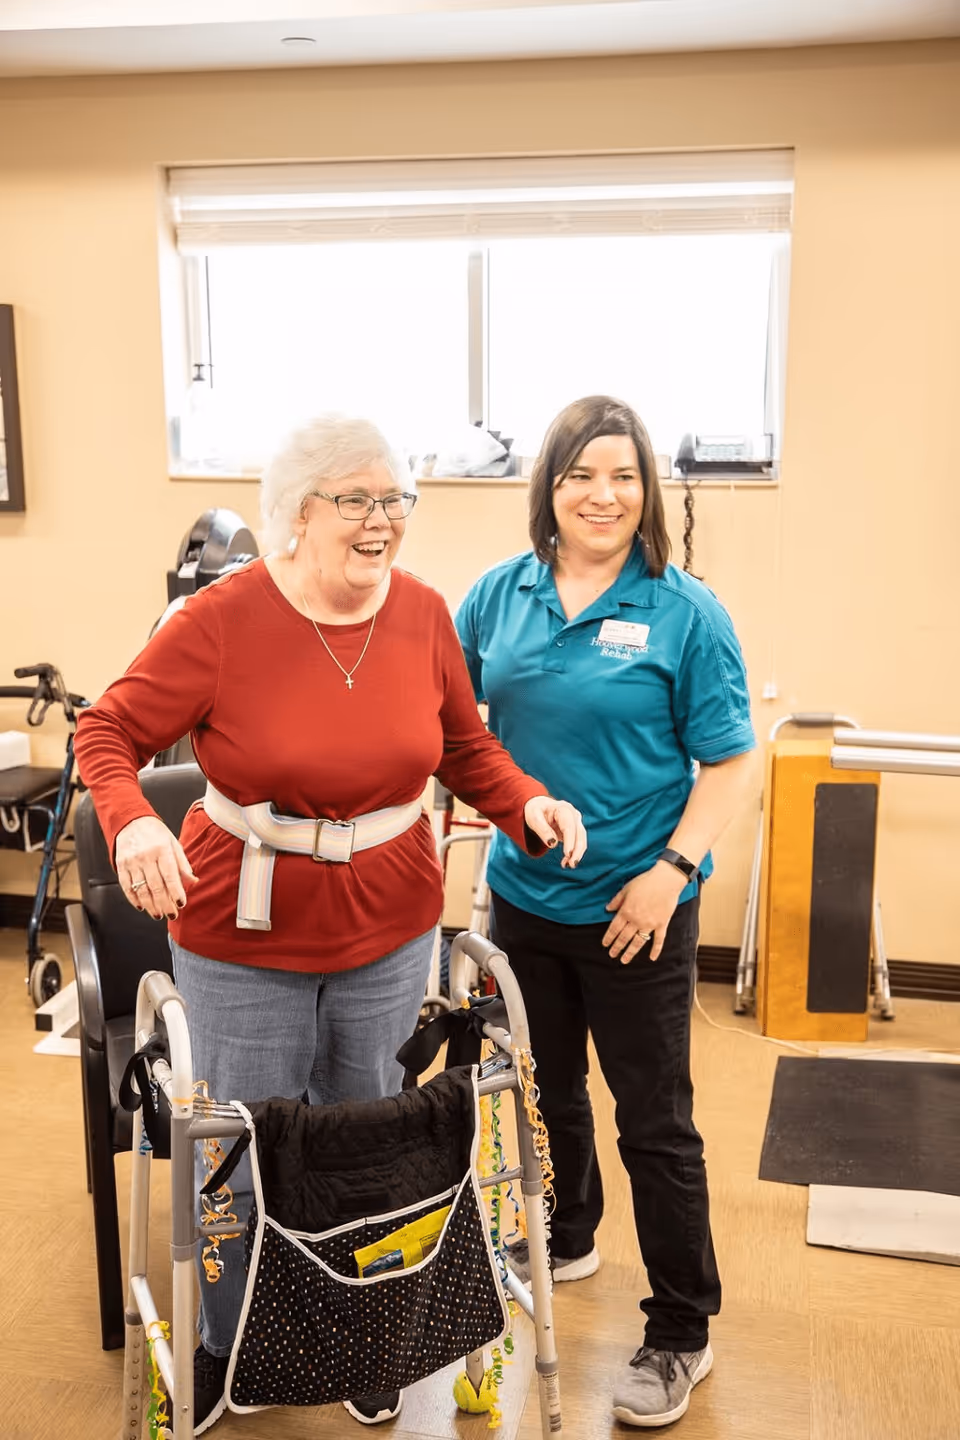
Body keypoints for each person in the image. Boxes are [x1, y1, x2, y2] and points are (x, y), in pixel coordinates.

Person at [74, 413, 586, 1436]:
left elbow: (463, 746)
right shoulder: (223, 619)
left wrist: (523, 798)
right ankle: (231, 1339)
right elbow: (107, 728)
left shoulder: (424, 615)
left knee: (368, 1139)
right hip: (239, 937)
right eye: (358, 500)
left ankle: (360, 1334)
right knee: (239, 1144)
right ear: (295, 516)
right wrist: (132, 825)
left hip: (390, 929)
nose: (383, 521)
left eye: (395, 500)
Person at [454, 395, 755, 1430]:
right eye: (582, 473)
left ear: (647, 493)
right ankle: (568, 1233)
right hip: (524, 896)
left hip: (639, 907)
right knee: (546, 1093)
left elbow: (729, 761)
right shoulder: (499, 595)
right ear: (550, 487)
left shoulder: (684, 610)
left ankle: (682, 1329)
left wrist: (672, 870)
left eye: (623, 475)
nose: (603, 493)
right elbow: (449, 723)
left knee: (655, 1124)